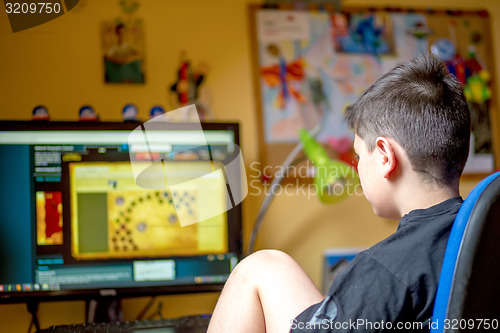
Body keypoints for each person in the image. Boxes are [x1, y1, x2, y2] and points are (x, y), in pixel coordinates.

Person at [207, 53, 471, 333]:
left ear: (384, 156)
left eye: (358, 156)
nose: (356, 168)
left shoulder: (384, 270)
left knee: (255, 268)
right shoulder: (478, 234)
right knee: (268, 266)